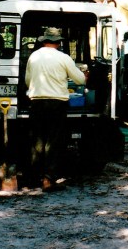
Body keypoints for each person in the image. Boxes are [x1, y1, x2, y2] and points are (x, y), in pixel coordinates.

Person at [24, 27, 86, 192]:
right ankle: (48, 180)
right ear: (58, 43)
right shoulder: (64, 58)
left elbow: (27, 81)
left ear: (43, 41)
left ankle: (33, 179)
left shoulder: (33, 56)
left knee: (37, 141)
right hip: (57, 104)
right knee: (53, 142)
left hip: (36, 102)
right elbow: (80, 80)